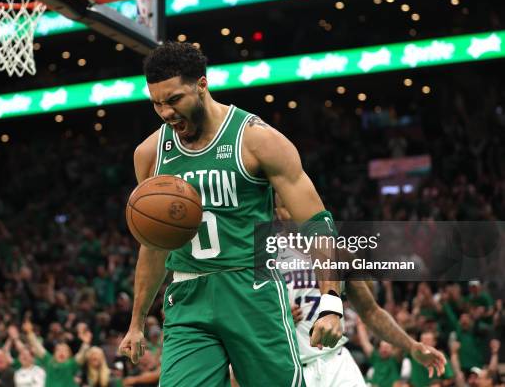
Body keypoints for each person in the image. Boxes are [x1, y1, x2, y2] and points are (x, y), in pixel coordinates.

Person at [118, 41, 343, 386]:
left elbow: (316, 222)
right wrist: (136, 321)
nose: (165, 112)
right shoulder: (149, 154)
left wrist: (331, 301)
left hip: (251, 288)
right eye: (157, 103)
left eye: (174, 99)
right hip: (188, 295)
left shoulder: (256, 139)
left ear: (202, 85)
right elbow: (154, 243)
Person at [276, 195, 447, 386]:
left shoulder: (339, 253)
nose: (295, 210)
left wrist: (412, 345)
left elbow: (370, 312)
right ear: (276, 213)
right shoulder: (264, 257)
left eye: (298, 201)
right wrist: (274, 317)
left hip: (337, 363)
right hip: (291, 368)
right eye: (286, 206)